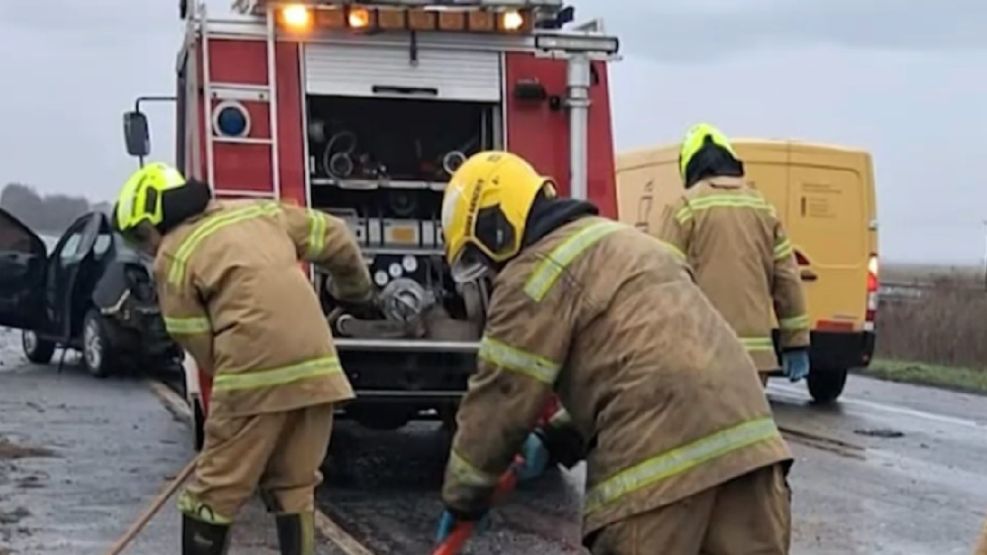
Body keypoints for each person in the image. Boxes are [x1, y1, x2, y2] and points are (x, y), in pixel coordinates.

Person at [434, 151, 794, 554]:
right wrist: (556, 440)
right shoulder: (629, 244)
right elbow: (648, 371)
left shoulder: (531, 274)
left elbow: (501, 395)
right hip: (752, 455)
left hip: (659, 477)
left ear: (495, 229)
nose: (484, 277)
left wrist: (464, 495)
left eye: (475, 261)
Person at [112, 163, 375, 555]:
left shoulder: (174, 256)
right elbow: (335, 235)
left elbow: (192, 336)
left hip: (249, 377)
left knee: (211, 494)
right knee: (295, 486)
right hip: (320, 371)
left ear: (156, 217)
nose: (146, 247)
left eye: (140, 234)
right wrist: (355, 292)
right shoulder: (260, 213)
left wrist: (236, 398)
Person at [657, 123, 811, 386]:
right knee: (751, 427)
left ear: (690, 167)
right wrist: (795, 342)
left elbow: (663, 282)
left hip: (700, 354)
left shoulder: (684, 208)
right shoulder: (763, 209)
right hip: (754, 360)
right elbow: (787, 279)